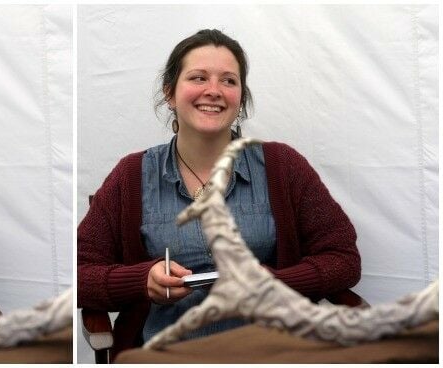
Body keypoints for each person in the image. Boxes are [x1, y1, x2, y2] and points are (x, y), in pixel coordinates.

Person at [77, 29, 360, 358]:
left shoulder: (283, 166)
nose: (214, 91)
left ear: (240, 97)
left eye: (228, 81)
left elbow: (343, 260)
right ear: (170, 92)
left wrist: (276, 282)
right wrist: (143, 280)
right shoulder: (132, 175)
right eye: (198, 77)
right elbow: (82, 272)